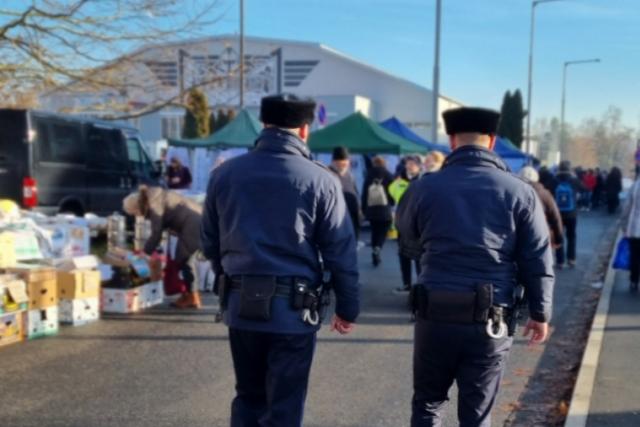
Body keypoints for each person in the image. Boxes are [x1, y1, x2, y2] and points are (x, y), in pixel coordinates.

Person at [201, 93, 359, 427]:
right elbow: (340, 251)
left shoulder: (225, 174)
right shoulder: (321, 179)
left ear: (264, 124)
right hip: (294, 309)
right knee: (285, 405)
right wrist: (348, 306)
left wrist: (227, 280)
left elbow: (210, 242)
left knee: (248, 397)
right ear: (304, 130)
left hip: (241, 303)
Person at [397, 107, 554, 427]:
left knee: (427, 404)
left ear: (452, 140)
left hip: (434, 310)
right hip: (490, 318)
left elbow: (408, 242)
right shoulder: (519, 191)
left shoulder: (424, 187)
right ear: (492, 141)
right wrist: (540, 312)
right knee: (476, 413)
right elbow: (536, 256)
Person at [123, 186, 203, 308]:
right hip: (195, 220)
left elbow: (156, 233)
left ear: (136, 208)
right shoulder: (154, 196)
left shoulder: (154, 204)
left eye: (134, 213)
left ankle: (193, 297)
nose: (136, 216)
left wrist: (144, 254)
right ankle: (188, 295)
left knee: (184, 260)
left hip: (194, 224)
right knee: (183, 260)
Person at [389, 155, 423, 293]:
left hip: (418, 224)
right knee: (403, 254)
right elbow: (393, 193)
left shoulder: (422, 180)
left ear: (419, 166)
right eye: (408, 163)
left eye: (413, 164)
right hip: (402, 222)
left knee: (418, 256)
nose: (409, 166)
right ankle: (406, 284)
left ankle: (421, 285)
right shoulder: (399, 180)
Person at [362, 155, 395, 266]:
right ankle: (378, 248)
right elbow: (393, 192)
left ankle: (374, 249)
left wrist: (363, 209)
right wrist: (391, 203)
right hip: (385, 209)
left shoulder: (369, 175)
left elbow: (364, 194)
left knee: (374, 231)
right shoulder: (389, 175)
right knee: (383, 230)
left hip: (371, 209)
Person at [521, 166, 564, 250]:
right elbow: (555, 216)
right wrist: (559, 238)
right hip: (542, 234)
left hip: (520, 235)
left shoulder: (515, 192)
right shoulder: (545, 193)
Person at [553, 161, 585, 269]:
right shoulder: (574, 181)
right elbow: (584, 189)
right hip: (572, 214)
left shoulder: (554, 181)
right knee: (571, 237)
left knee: (559, 237)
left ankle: (560, 261)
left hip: (558, 214)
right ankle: (571, 259)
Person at [329, 146, 361, 240]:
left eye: (346, 162)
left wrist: (359, 209)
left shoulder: (349, 175)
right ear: (334, 162)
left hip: (352, 214)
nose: (344, 164)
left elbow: (355, 192)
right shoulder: (328, 173)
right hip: (336, 215)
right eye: (342, 162)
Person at [624, 177, 640, 291]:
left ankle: (634, 281)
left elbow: (626, 207)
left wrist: (623, 224)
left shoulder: (635, 186)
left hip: (635, 228)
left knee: (635, 256)